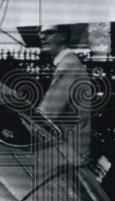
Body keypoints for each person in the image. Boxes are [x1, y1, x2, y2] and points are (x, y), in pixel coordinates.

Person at [38, 24, 92, 166]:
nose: (42, 37)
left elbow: (47, 114)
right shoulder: (70, 62)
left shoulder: (67, 65)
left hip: (69, 152)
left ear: (63, 36)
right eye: (41, 33)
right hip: (72, 148)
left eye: (48, 33)